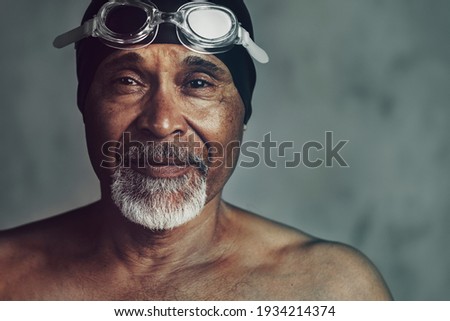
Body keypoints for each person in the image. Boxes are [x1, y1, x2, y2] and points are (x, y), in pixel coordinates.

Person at [0, 0, 391, 300]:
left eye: (199, 83)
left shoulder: (331, 291)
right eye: (127, 81)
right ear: (86, 102)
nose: (162, 122)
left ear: (242, 112)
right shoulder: (9, 278)